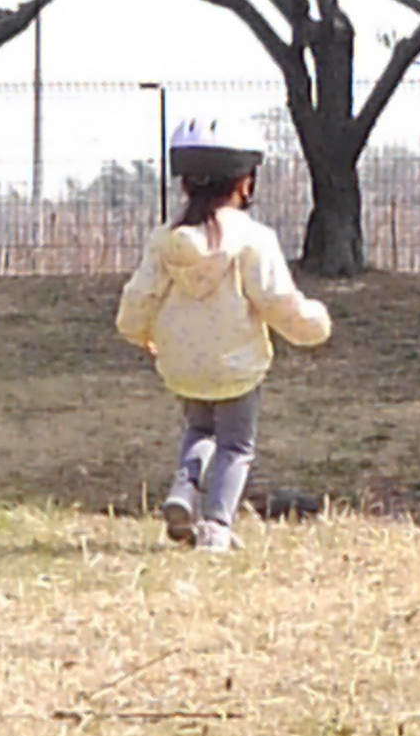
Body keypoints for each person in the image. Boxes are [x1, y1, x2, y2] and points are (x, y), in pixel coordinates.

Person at [115, 119, 332, 550]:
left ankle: (183, 492)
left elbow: (139, 295)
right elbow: (276, 300)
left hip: (181, 363)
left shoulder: (165, 240)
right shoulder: (253, 239)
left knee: (200, 430)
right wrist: (314, 325)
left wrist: (137, 332)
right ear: (244, 182)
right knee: (236, 444)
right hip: (236, 364)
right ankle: (216, 525)